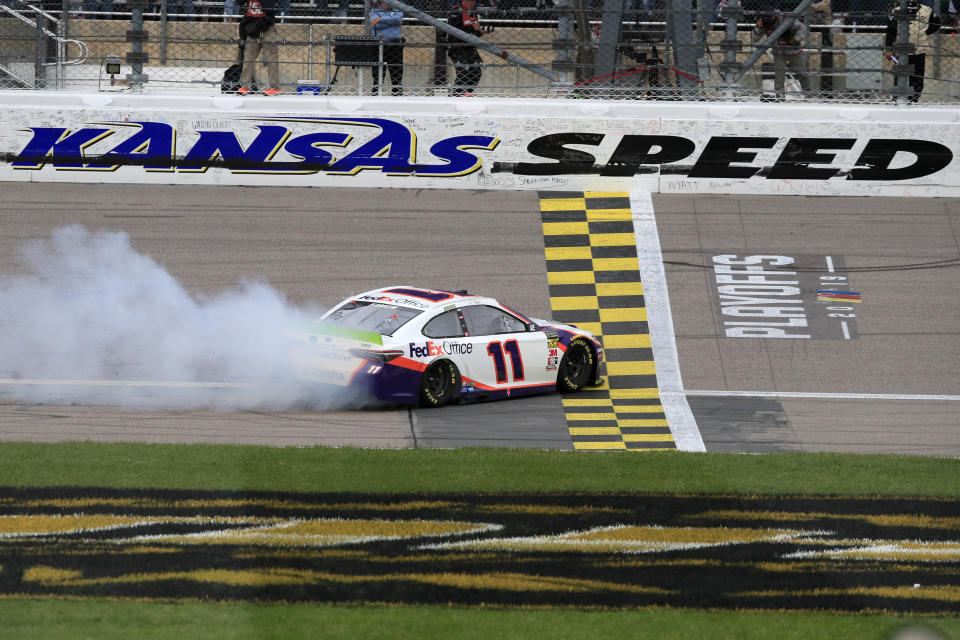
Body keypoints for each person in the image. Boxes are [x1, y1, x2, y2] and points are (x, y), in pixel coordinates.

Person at [752, 7, 811, 100]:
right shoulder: (764, 22)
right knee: (779, 75)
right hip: (778, 51)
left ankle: (809, 95)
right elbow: (754, 39)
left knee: (802, 73)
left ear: (774, 16)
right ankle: (780, 98)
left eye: (769, 17)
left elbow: (802, 28)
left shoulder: (786, 18)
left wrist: (796, 38)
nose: (767, 20)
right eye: (765, 18)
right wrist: (757, 27)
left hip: (794, 50)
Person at [885, 0, 937, 103]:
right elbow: (891, 30)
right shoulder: (897, 10)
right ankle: (897, 99)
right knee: (900, 75)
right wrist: (889, 49)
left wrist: (925, 32)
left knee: (917, 77)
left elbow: (937, 23)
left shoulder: (927, 10)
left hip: (919, 49)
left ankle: (913, 100)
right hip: (902, 49)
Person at [238, 0, 282, 95]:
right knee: (248, 58)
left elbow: (269, 7)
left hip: (267, 27)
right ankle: (244, 86)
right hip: (252, 27)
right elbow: (239, 2)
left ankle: (274, 87)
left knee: (271, 58)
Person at [447, 0, 491, 96]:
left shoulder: (473, 13)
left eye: (474, 1)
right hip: (457, 48)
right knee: (463, 74)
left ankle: (464, 93)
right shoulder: (455, 12)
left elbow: (475, 32)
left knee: (476, 74)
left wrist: (482, 31)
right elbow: (453, 30)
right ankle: (454, 95)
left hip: (470, 48)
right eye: (469, 1)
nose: (472, 3)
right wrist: (473, 29)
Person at [370, 0, 405, 96]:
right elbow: (373, 23)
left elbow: (398, 19)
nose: (387, 4)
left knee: (396, 67)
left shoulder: (397, 10)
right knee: (378, 68)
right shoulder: (374, 10)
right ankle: (376, 89)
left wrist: (380, 20)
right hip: (379, 43)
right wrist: (391, 20)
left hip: (395, 44)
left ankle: (397, 89)